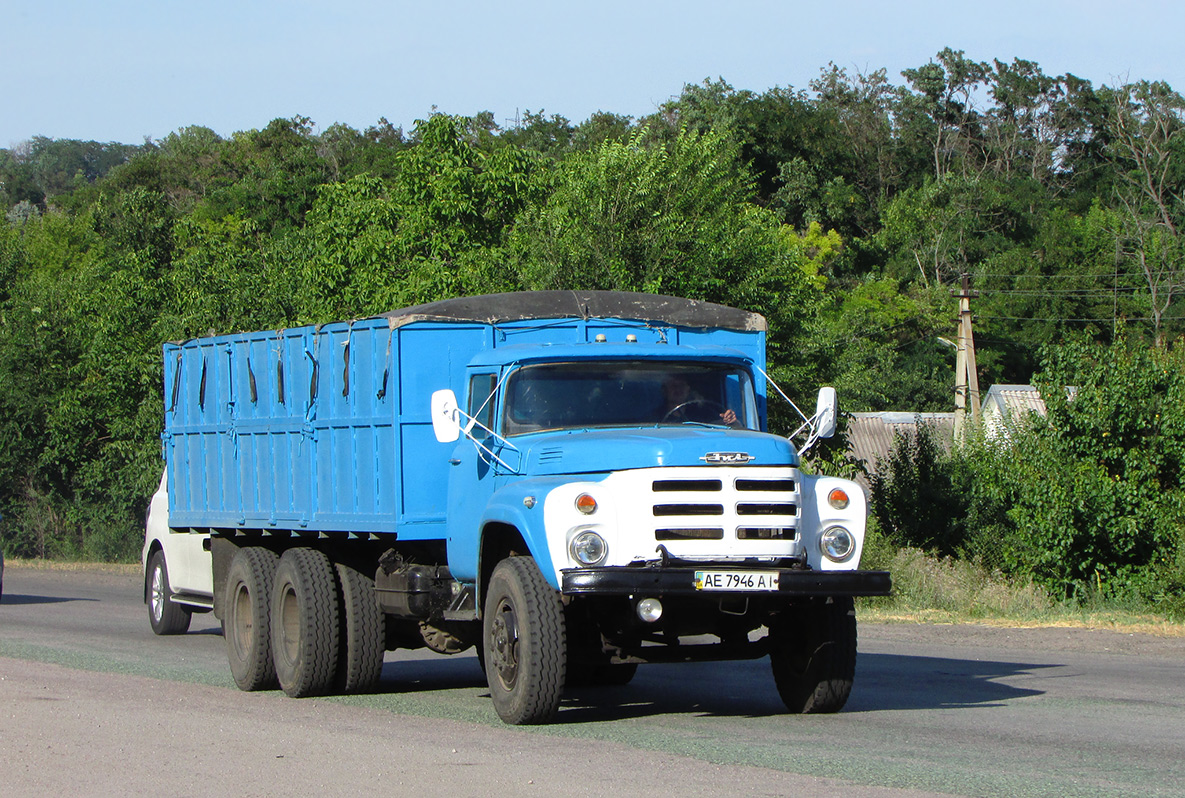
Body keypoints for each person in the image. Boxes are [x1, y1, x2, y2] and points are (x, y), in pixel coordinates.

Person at [659, 375, 739, 426]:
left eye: (682, 385)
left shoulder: (703, 413)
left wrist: (731, 420)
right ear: (665, 391)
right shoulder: (654, 416)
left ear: (688, 390)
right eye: (673, 386)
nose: (678, 389)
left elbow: (723, 426)